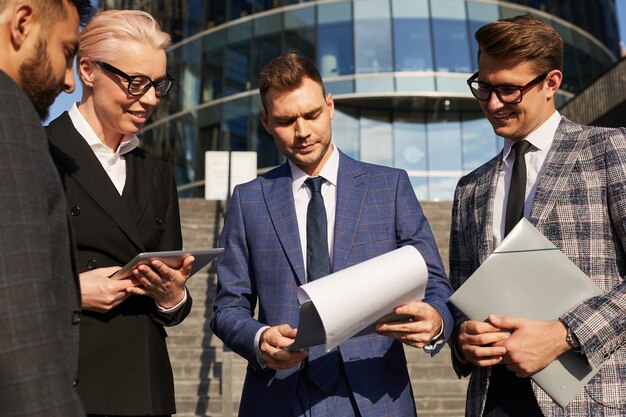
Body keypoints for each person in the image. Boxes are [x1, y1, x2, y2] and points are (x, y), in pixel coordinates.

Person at [210, 53, 453, 417]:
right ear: (265, 122)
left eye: (311, 115)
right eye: (286, 120)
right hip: (279, 396)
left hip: (376, 395)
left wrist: (435, 319)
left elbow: (434, 280)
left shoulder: (389, 186)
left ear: (330, 105)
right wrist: (260, 340)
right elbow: (228, 306)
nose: (303, 131)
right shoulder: (248, 200)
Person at [449, 14, 626, 417]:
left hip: (590, 399)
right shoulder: (470, 189)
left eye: (509, 90)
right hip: (492, 399)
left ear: (552, 83)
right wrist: (464, 338)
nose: (493, 103)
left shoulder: (609, 150)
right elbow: (462, 299)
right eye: (484, 86)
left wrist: (566, 334)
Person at [46, 10, 193, 417]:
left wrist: (172, 296)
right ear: (88, 70)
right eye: (135, 82)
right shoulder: (39, 153)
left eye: (158, 85)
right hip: (66, 385)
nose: (149, 98)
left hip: (145, 391)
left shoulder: (158, 173)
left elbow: (173, 307)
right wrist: (73, 294)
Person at [0, 0, 93, 416]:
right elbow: (18, 336)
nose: (69, 82)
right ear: (22, 25)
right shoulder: (8, 120)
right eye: (67, 53)